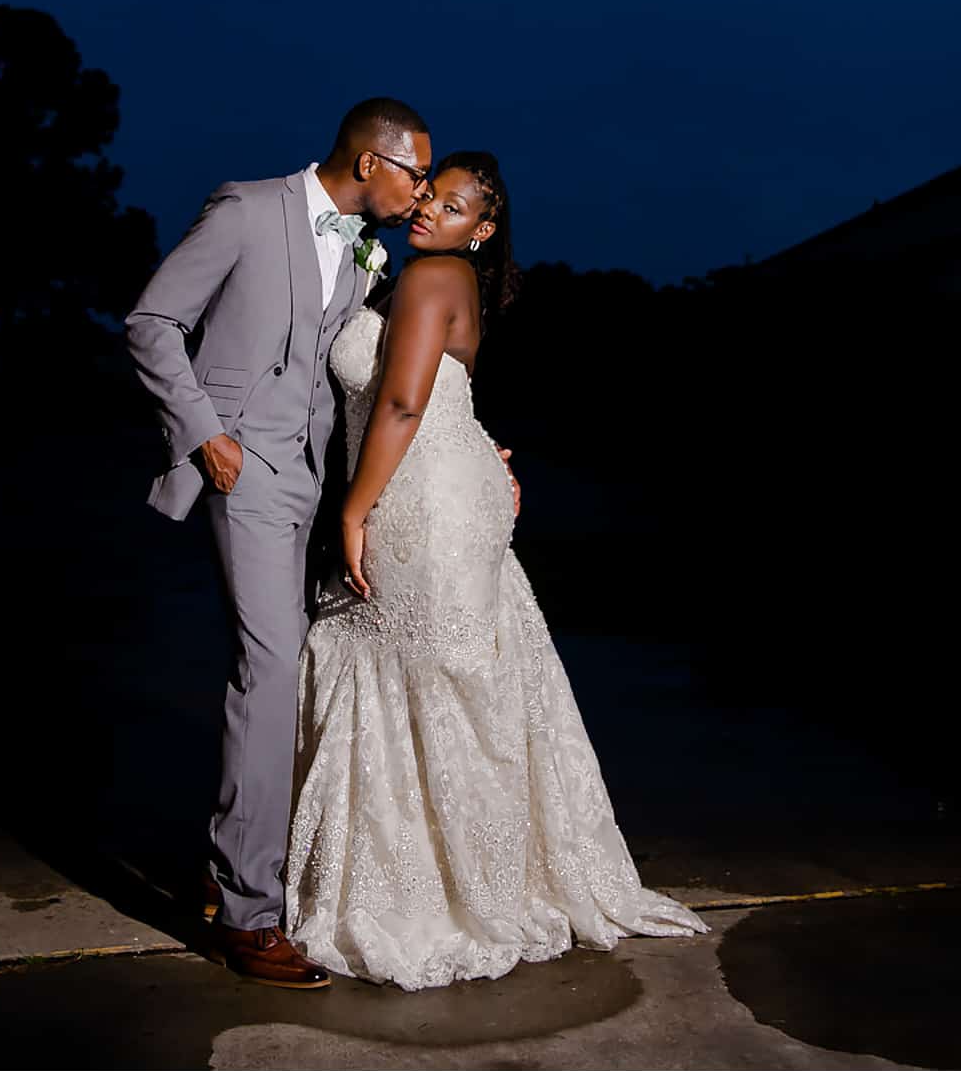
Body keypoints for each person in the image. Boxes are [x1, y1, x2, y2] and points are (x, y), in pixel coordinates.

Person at [283, 151, 708, 990]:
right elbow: (448, 401)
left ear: (480, 232)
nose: (429, 212)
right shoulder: (435, 282)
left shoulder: (434, 276)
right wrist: (486, 453)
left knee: (431, 675)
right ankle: (461, 876)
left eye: (453, 207)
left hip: (417, 504)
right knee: (441, 674)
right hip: (442, 486)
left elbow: (404, 402)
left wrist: (353, 510)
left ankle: (458, 888)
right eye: (429, 196)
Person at [123, 97, 439, 990]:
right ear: (372, 162)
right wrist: (204, 433)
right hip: (243, 470)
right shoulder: (249, 211)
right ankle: (245, 911)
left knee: (297, 669)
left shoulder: (365, 252)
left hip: (313, 480)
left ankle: (270, 874)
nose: (421, 193)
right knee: (270, 668)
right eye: (416, 172)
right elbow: (152, 323)